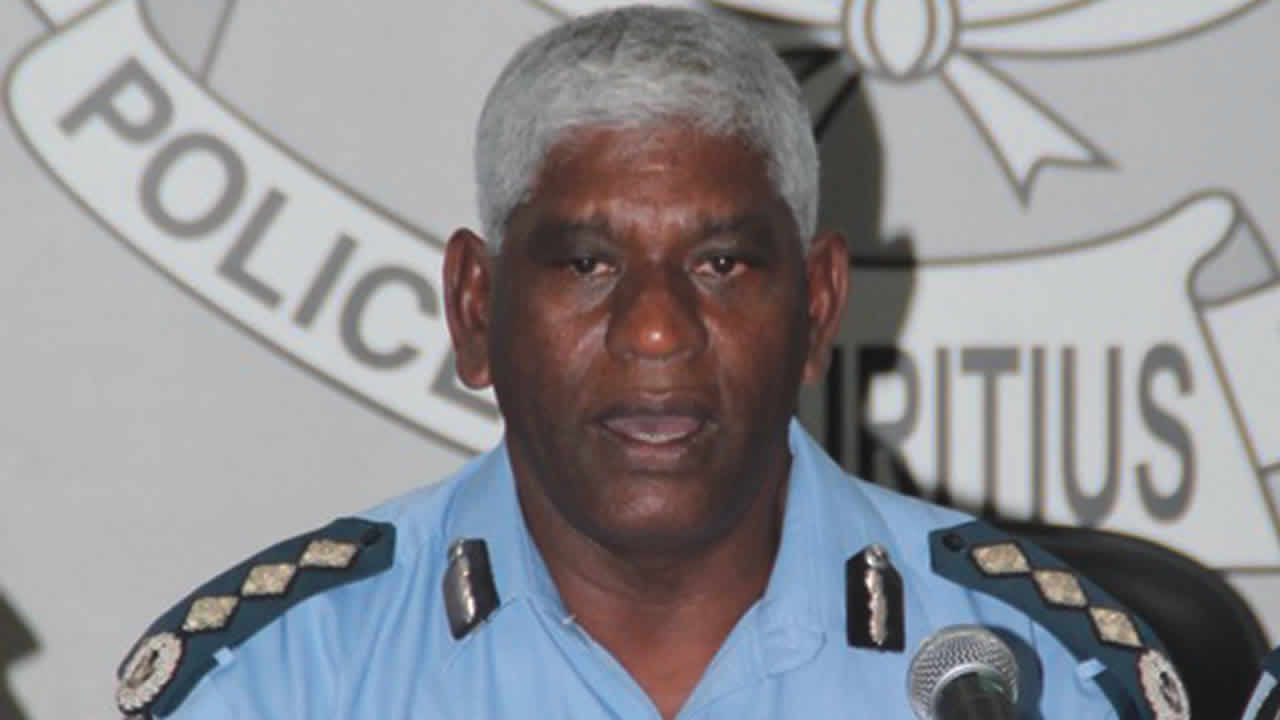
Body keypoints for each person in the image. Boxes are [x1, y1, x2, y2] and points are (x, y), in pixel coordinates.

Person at [114, 6, 1189, 719]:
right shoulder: (282, 684)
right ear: (476, 308)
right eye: (587, 264)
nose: (658, 331)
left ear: (818, 304)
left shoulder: (1027, 677)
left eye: (720, 264)